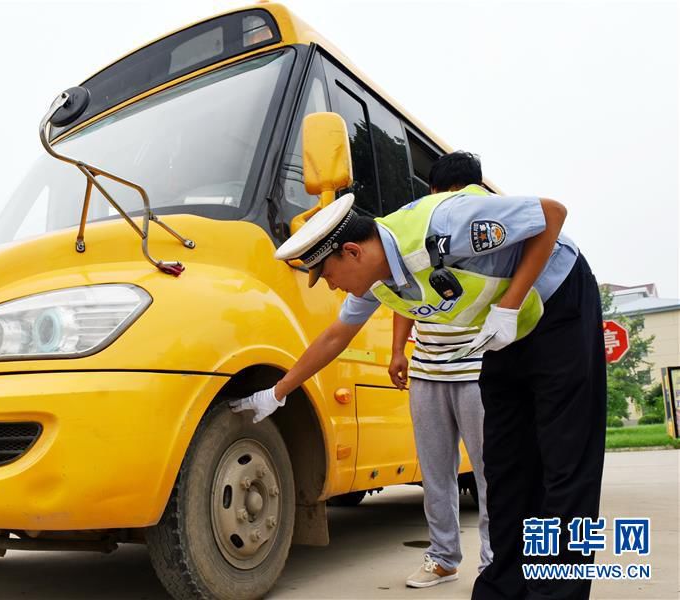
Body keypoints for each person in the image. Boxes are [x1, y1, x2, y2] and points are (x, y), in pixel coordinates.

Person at [230, 161, 606, 599]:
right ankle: (502, 587)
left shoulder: (442, 223)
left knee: (565, 460)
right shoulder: (376, 278)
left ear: (352, 252)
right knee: (505, 465)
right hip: (508, 331)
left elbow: (551, 216)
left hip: (559, 303)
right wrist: (276, 393)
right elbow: (335, 335)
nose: (332, 288)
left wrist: (508, 305)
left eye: (328, 275)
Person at [381, 152, 492, 588]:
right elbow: (403, 294)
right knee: (435, 472)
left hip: (477, 370)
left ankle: (493, 561)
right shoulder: (419, 234)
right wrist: (397, 352)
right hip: (428, 370)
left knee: (490, 471)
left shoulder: (486, 231)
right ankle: (443, 558)